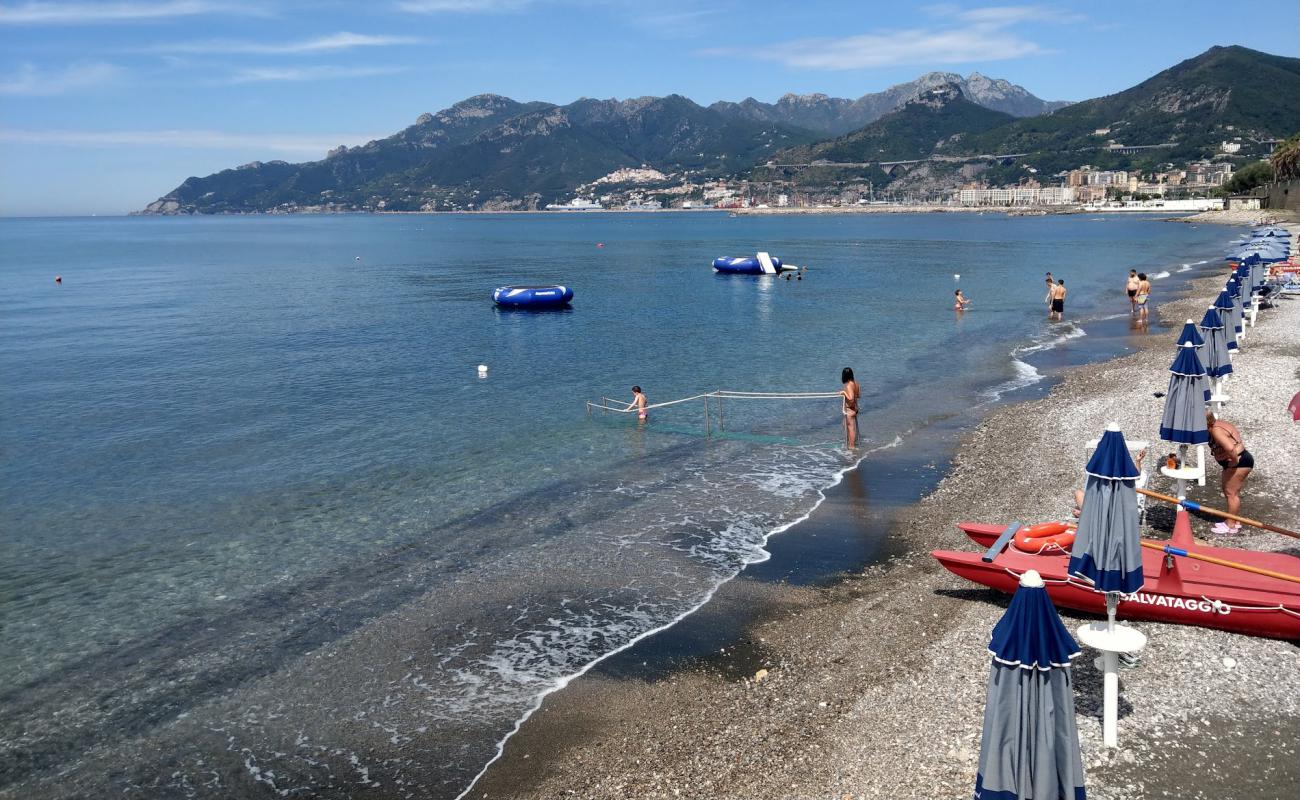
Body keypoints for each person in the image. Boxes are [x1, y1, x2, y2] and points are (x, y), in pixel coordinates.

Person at [1206, 411, 1253, 534]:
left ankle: (1230, 524)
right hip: (1242, 459)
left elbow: (1231, 448)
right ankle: (1235, 521)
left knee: (1231, 493)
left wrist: (1234, 461)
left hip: (1239, 462)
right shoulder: (1220, 424)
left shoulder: (1216, 430)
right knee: (1232, 493)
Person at [841, 367, 860, 448]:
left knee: (850, 428)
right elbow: (858, 396)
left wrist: (844, 393)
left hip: (849, 410)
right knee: (846, 425)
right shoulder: (857, 384)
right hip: (854, 409)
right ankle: (851, 444)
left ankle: (852, 447)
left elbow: (851, 398)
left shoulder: (849, 385)